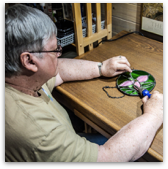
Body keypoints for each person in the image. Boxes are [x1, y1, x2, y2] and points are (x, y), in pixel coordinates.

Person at [5, 4, 163, 162]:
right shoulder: (39, 133)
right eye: (54, 50)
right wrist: (155, 114)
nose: (59, 55)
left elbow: (59, 69)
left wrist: (101, 68)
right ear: (29, 61)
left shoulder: (21, 77)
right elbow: (107, 159)